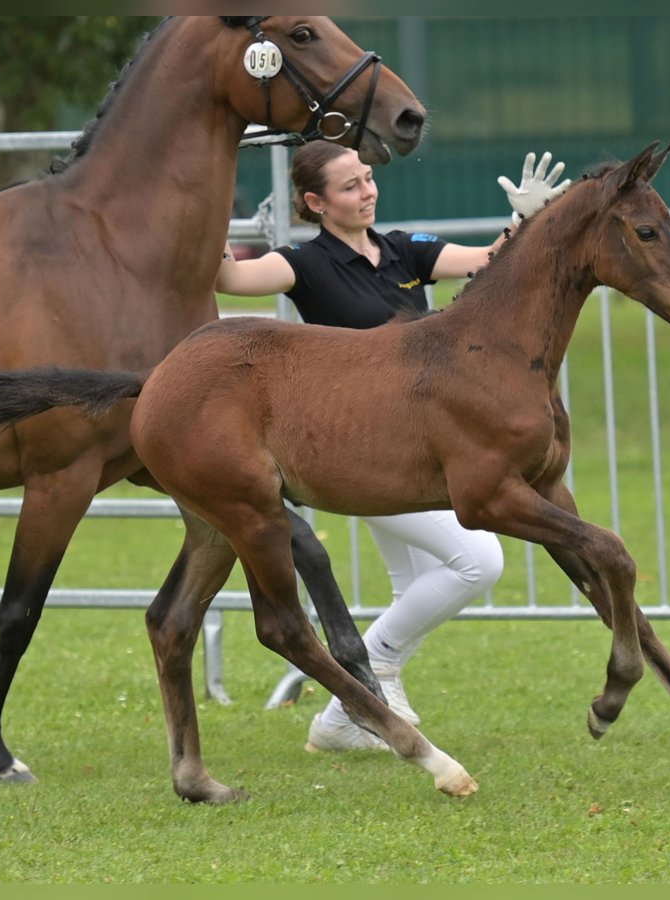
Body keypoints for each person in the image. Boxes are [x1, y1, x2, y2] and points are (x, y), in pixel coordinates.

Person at [215, 141, 571, 752]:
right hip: (364, 446)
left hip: (420, 441)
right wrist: (212, 206)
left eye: (368, 178)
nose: (367, 190)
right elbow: (232, 277)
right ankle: (370, 676)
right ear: (315, 202)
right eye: (350, 185)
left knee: (417, 585)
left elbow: (488, 260)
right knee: (478, 562)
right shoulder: (305, 261)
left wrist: (526, 221)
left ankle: (342, 718)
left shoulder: (404, 248)